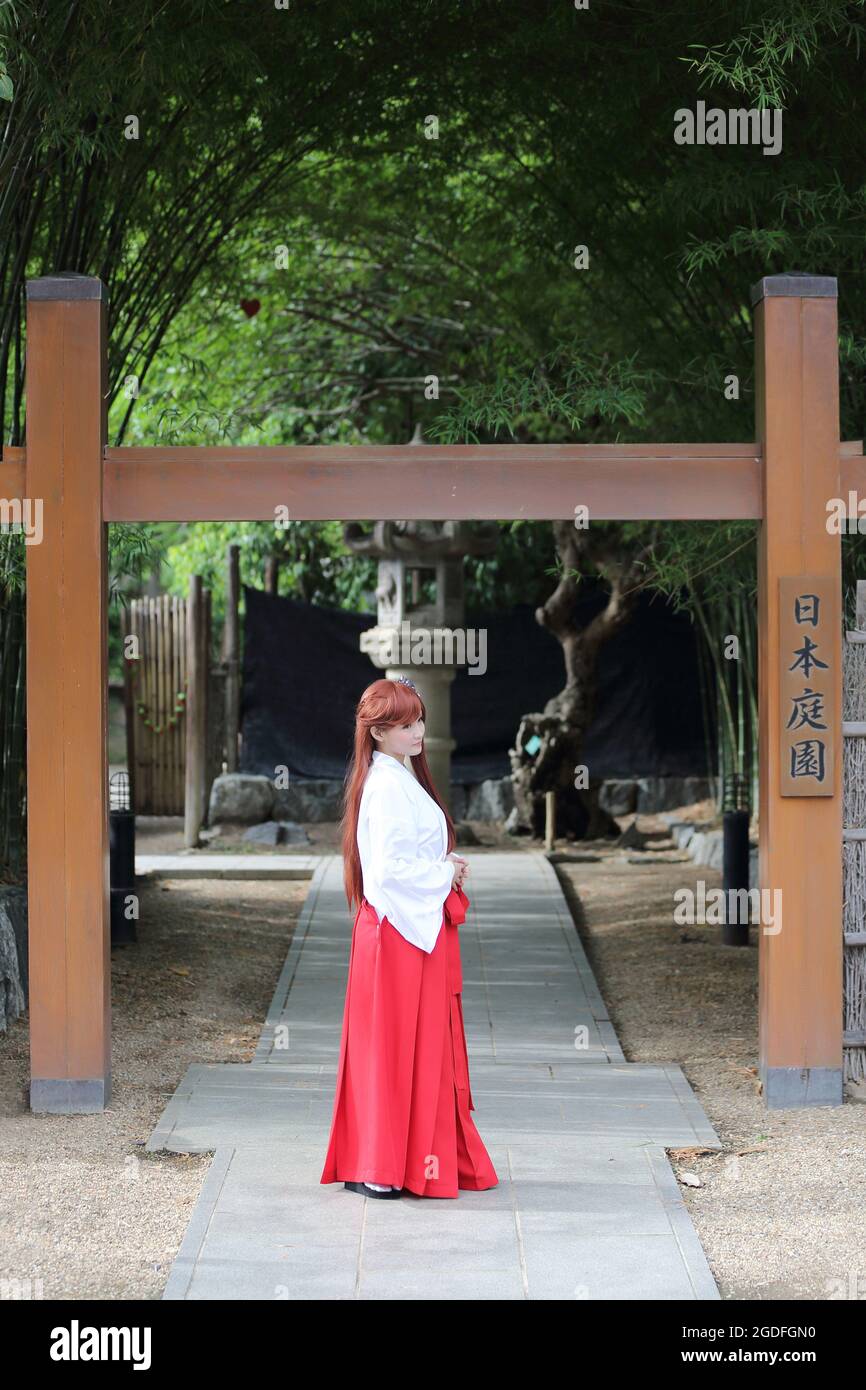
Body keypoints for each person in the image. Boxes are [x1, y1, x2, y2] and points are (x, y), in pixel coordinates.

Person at [319, 675, 498, 1200]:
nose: (417, 731)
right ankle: (380, 1165)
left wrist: (443, 867)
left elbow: (399, 865)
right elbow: (390, 871)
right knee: (392, 1049)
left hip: (402, 930)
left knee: (398, 1047)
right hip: (399, 933)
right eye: (404, 724)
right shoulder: (387, 786)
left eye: (418, 720)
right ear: (376, 732)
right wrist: (443, 873)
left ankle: (380, 1160)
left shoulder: (393, 778)